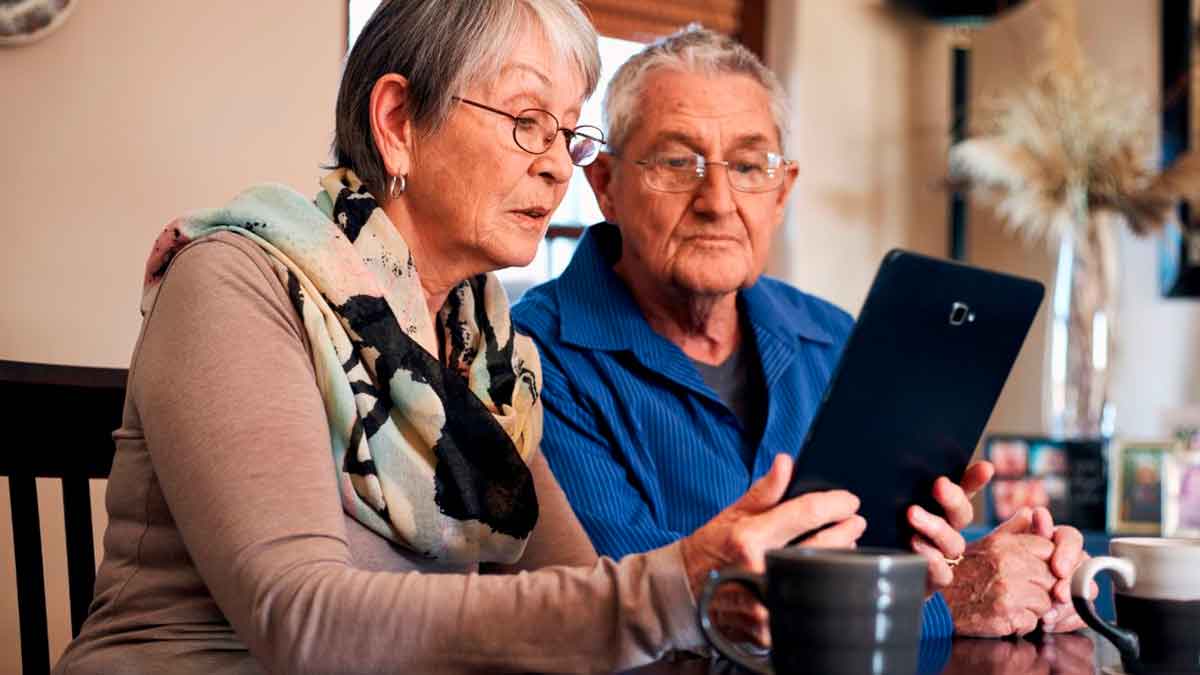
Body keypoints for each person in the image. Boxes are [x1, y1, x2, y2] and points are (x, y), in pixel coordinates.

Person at [53, 4, 870, 673]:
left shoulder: (491, 356)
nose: (555, 169)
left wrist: (721, 599)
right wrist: (671, 585)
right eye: (525, 121)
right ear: (399, 121)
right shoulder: (236, 281)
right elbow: (297, 619)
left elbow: (585, 604)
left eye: (565, 131)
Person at [513, 26, 1090, 643]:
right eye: (678, 162)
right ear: (605, 186)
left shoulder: (833, 337)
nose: (717, 199)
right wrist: (946, 605)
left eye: (749, 165)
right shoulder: (528, 358)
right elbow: (636, 616)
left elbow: (902, 552)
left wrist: (1020, 574)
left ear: (782, 191)